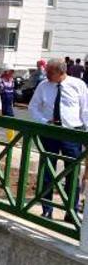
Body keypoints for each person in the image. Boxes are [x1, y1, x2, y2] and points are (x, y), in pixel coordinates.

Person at [28, 58, 88, 220]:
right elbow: (33, 107)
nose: (46, 74)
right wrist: (44, 121)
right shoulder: (43, 86)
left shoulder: (78, 85)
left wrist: (86, 132)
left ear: (61, 72)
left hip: (71, 134)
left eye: (50, 72)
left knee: (72, 173)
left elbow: (85, 110)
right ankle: (47, 209)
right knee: (47, 171)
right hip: (50, 133)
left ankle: (71, 210)